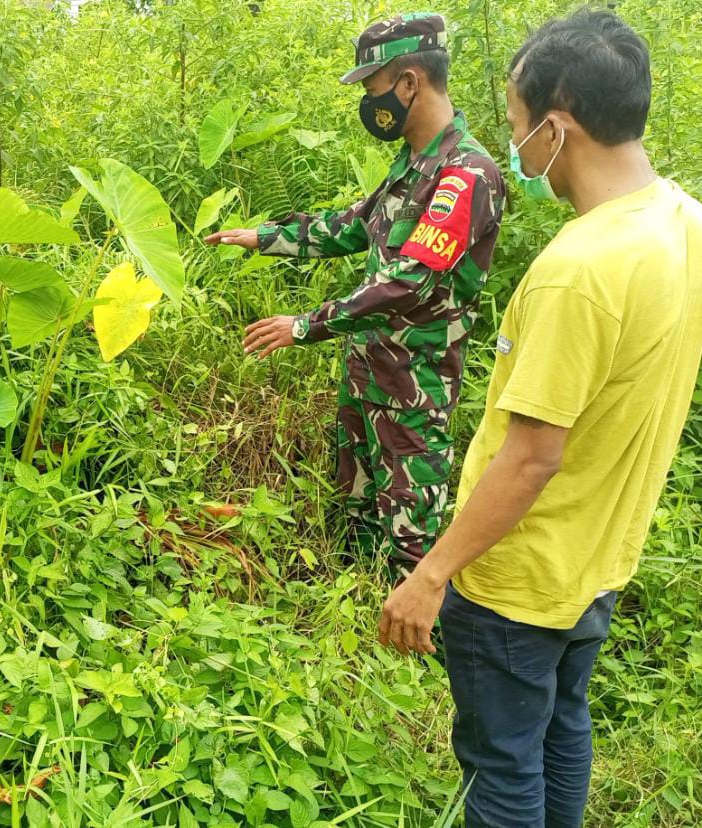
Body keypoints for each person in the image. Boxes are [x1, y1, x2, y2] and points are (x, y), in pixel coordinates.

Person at [376, 9, 702, 827]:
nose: (516, 142)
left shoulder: (579, 270)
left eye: (519, 123)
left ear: (559, 129)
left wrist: (432, 576)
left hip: (517, 579)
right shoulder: (685, 222)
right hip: (595, 557)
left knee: (500, 770)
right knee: (561, 729)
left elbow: (532, 458)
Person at [204, 13, 505, 577]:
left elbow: (407, 281)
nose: (370, 103)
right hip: (367, 374)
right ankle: (353, 641)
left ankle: (414, 655)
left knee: (410, 543)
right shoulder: (412, 165)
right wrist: (265, 238)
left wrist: (306, 324)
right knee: (357, 521)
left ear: (409, 82)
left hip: (412, 388)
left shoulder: (466, 174)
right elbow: (354, 224)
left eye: (372, 89)